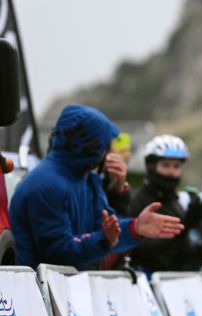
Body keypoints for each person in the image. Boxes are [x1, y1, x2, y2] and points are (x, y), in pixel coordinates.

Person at [9, 104, 182, 270]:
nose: (109, 154)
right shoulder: (45, 186)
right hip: (40, 296)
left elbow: (105, 231)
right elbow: (58, 254)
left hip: (72, 291)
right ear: (92, 148)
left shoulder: (89, 179)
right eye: (106, 147)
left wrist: (134, 227)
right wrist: (106, 239)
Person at [126, 134, 193, 274]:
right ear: (151, 167)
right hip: (144, 281)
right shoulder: (137, 200)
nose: (172, 172)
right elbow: (138, 249)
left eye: (176, 166)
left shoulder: (176, 202)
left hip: (172, 283)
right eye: (165, 165)